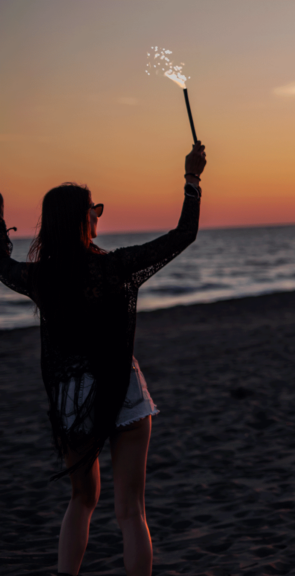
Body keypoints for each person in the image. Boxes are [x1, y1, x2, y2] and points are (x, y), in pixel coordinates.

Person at [0, 142, 207, 576]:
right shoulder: (115, 267)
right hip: (122, 389)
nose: (99, 214)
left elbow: (1, 264)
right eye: (94, 208)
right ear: (80, 219)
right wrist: (192, 178)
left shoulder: (38, 277)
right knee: (131, 511)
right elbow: (183, 235)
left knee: (81, 500)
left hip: (72, 395)